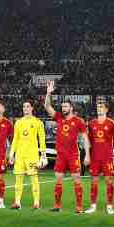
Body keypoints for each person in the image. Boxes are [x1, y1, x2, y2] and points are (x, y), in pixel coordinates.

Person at [44, 80, 89, 213]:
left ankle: (79, 206)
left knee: (77, 180)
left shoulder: (78, 121)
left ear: (71, 108)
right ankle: (57, 206)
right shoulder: (59, 118)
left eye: (66, 107)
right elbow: (47, 106)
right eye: (62, 106)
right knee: (58, 180)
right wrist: (48, 93)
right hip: (61, 155)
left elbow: (85, 138)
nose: (63, 109)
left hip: (73, 154)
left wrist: (87, 154)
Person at [9, 99, 47, 210]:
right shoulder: (18, 122)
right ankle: (17, 202)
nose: (25, 108)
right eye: (24, 106)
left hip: (32, 155)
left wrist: (43, 155)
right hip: (20, 155)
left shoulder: (38, 122)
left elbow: (42, 139)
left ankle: (36, 202)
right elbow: (15, 139)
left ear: (32, 108)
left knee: (33, 178)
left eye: (27, 106)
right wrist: (12, 153)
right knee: (18, 178)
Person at [86, 99, 114, 214]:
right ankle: (93, 205)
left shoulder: (112, 124)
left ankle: (109, 206)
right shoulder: (91, 123)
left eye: (101, 107)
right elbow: (89, 140)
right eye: (98, 106)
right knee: (93, 181)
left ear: (106, 109)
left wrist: (106, 149)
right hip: (95, 157)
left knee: (109, 181)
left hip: (107, 157)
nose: (98, 108)